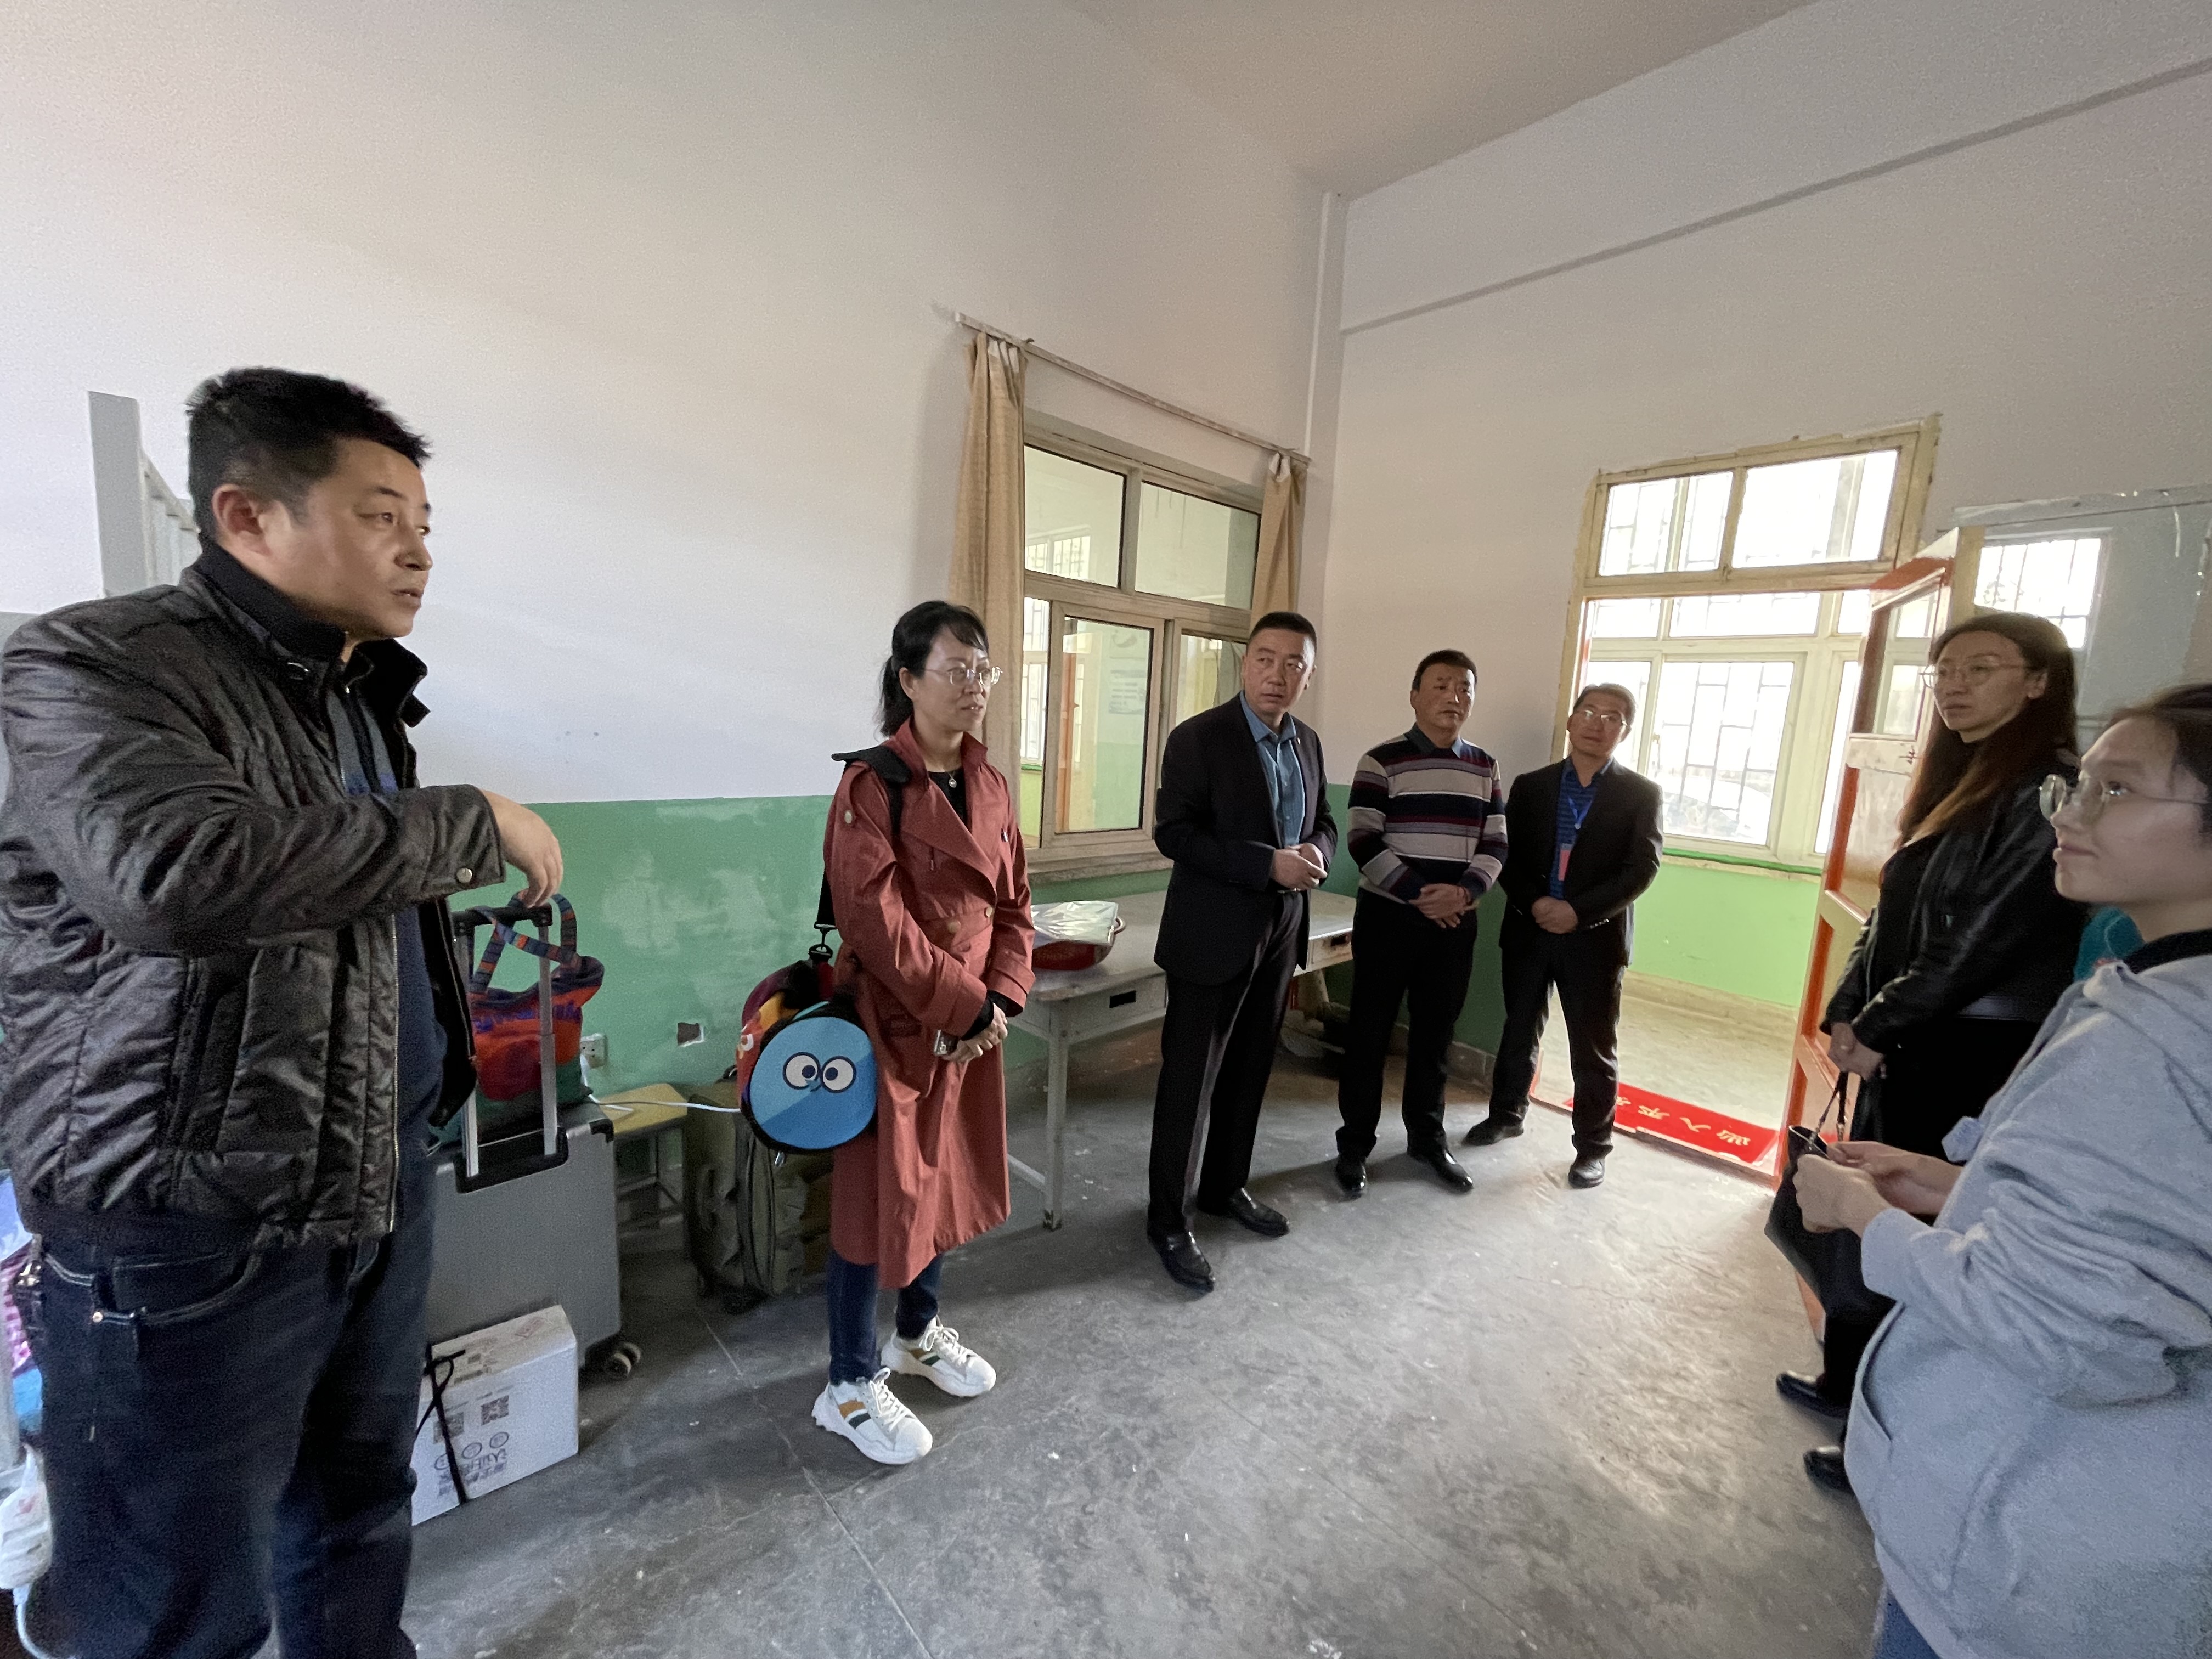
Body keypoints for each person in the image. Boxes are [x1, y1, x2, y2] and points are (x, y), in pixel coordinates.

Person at [0, 368, 563, 1659]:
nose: (418, 549)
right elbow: (174, 875)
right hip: (191, 1226)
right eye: (379, 515)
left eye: (423, 521)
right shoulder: (92, 663)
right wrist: (471, 820)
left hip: (370, 1182)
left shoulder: (353, 697)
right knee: (178, 1605)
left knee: (357, 1516)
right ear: (246, 515)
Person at [1793, 682, 2212, 1659]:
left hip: (2038, 1546)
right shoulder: (2152, 983)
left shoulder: (2158, 1046)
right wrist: (1951, 1187)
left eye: (2116, 789)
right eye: (2077, 788)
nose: (2069, 814)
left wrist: (1863, 1215)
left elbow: (2069, 1333)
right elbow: (2129, 1230)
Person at [1787, 612, 2084, 1484]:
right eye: (1944, 671)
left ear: (2039, 682)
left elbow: (1980, 941)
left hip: (1969, 1048)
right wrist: (1851, 1010)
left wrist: (1881, 1025)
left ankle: (1887, 1437)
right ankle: (1847, 1382)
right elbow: (1887, 917)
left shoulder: (2047, 794)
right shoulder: (1961, 783)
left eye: (1980, 669)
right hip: (1911, 1032)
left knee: (1921, 1229)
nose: (1954, 686)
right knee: (1870, 1199)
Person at [811, 600, 1034, 1464]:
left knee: (941, 1184)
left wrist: (1002, 999)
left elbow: (1015, 904)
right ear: (908, 681)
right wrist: (966, 1007)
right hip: (895, 1026)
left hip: (971, 1026)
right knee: (874, 1202)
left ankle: (916, 1335)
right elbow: (876, 924)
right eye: (956, 670)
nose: (974, 686)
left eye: (984, 671)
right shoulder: (871, 786)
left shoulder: (992, 784)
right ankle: (847, 1381)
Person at [1146, 611, 1336, 1292]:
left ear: (1308, 676)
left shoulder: (1308, 742)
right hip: (1212, 931)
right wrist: (1266, 864)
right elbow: (1174, 834)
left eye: (1294, 664)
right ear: (1245, 663)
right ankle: (1169, 1221)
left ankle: (1226, 1188)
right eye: (1265, 659)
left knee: (1253, 1066)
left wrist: (1316, 850)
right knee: (1190, 1081)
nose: (1277, 675)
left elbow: (1325, 821)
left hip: (1283, 926)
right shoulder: (1198, 739)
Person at [1463, 682, 1662, 1190]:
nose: (1598, 724)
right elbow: (1505, 853)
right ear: (1571, 721)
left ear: (1625, 732)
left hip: (1595, 938)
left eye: (1613, 717)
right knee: (1519, 1029)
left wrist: (1577, 912)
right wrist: (1536, 903)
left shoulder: (1642, 794)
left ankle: (1593, 1148)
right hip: (1529, 929)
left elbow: (1642, 868)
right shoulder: (1532, 786)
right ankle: (1506, 1114)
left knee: (1593, 1048)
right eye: (1589, 712)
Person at [1333, 649, 1508, 1197]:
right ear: (1414, 696)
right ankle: (1354, 1146)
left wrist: (1464, 893)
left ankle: (1427, 1141)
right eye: (1441, 685)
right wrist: (1421, 896)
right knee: (1369, 1035)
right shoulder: (1380, 761)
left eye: (1464, 688)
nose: (1454, 697)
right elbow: (1363, 840)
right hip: (1388, 918)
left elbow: (1497, 843)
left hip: (1454, 923)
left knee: (1435, 1038)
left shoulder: (1484, 766)